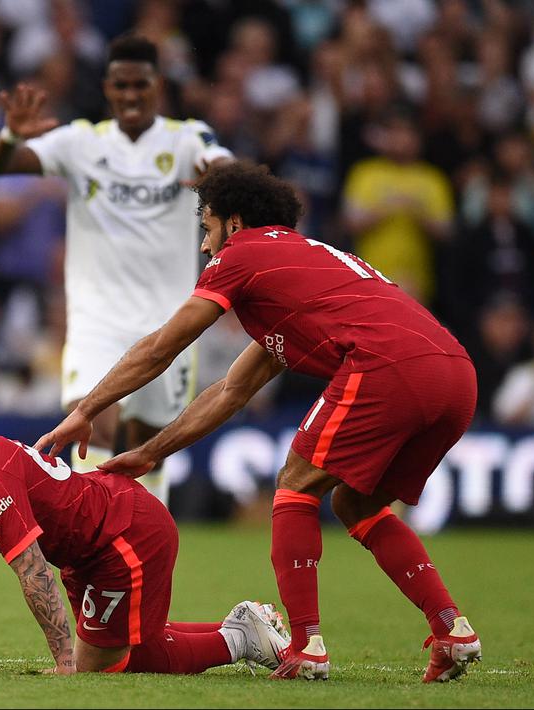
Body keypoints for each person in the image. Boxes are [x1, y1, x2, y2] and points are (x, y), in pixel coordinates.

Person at [36, 162, 482, 683]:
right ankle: (451, 629)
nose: (205, 247)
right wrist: (154, 451)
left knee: (294, 488)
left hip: (388, 365)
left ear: (234, 222)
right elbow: (231, 390)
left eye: (207, 228)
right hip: (455, 375)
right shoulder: (298, 269)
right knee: (355, 503)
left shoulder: (244, 253)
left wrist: (86, 409)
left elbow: (162, 346)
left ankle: (305, 644)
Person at [0, 360, 289, 675]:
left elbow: (32, 570)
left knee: (104, 663)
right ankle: (242, 627)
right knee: (114, 643)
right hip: (83, 551)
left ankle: (238, 642)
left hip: (123, 532)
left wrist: (63, 666)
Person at [0, 33, 234, 505]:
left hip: (170, 320)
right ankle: (93, 547)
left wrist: (218, 178)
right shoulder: (81, 141)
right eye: (121, 86)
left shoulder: (186, 138)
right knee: (90, 425)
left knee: (148, 446)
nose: (131, 95)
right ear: (107, 88)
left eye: (140, 84)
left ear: (157, 85)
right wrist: (11, 133)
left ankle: (146, 547)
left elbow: (226, 164)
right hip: (96, 318)